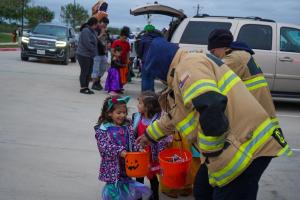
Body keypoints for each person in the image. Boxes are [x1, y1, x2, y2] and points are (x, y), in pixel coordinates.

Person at [137, 37, 292, 200]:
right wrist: (150, 135)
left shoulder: (188, 66)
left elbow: (211, 106)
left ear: (159, 65)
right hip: (236, 144)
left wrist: (210, 152)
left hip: (245, 148)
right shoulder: (182, 71)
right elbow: (177, 116)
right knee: (202, 190)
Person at [94, 95, 152, 200]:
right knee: (114, 191)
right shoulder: (103, 129)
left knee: (125, 190)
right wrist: (120, 151)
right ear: (110, 113)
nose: (122, 115)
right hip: (112, 167)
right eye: (118, 113)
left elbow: (132, 142)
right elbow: (104, 147)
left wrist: (138, 148)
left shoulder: (127, 127)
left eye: (124, 112)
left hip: (126, 165)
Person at [132, 91, 172, 200]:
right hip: (139, 155)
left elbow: (166, 137)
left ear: (148, 107)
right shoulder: (136, 117)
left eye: (140, 103)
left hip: (152, 156)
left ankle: (154, 197)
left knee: (152, 177)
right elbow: (132, 133)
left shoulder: (158, 121)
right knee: (139, 176)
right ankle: (138, 197)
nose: (137, 105)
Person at [137, 24, 163, 92]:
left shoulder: (144, 39)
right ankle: (151, 93)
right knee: (151, 78)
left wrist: (139, 57)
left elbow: (140, 51)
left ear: (146, 31)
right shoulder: (158, 39)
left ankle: (145, 93)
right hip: (154, 61)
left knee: (145, 77)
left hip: (145, 61)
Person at [76, 17, 99, 94]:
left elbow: (95, 41)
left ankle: (86, 87)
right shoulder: (86, 30)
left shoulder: (92, 31)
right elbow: (87, 43)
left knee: (89, 72)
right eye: (96, 24)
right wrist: (94, 49)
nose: (97, 26)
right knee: (84, 71)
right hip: (83, 54)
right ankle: (83, 88)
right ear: (93, 24)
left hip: (90, 55)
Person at [91, 17, 110, 91]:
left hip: (103, 52)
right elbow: (93, 39)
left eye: (106, 24)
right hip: (96, 52)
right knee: (95, 69)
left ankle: (97, 81)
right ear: (100, 22)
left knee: (103, 68)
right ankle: (94, 84)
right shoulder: (96, 30)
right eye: (104, 24)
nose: (105, 26)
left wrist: (109, 43)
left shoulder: (106, 31)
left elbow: (108, 40)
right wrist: (101, 34)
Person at [111, 26, 131, 91]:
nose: (125, 39)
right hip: (116, 62)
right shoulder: (116, 42)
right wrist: (116, 55)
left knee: (122, 76)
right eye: (124, 38)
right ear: (121, 36)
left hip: (123, 61)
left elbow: (128, 52)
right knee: (116, 75)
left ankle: (119, 87)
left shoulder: (127, 43)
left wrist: (128, 60)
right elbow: (112, 50)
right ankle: (115, 87)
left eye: (126, 38)